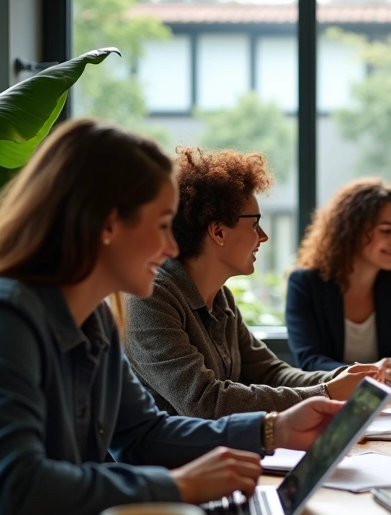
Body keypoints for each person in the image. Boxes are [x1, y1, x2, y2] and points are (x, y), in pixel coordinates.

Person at [0, 120, 344, 515]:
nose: (172, 247)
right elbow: (8, 494)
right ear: (108, 225)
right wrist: (177, 486)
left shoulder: (95, 321)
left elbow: (144, 434)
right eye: (161, 225)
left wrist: (274, 429)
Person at [123, 147, 373, 419]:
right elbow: (206, 402)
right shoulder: (150, 298)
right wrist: (326, 392)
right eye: (255, 224)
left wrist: (350, 377)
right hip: (167, 449)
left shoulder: (221, 299)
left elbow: (271, 373)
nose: (263, 236)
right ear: (218, 231)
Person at [286, 179, 391, 394]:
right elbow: (309, 360)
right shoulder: (305, 284)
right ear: (352, 230)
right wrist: (375, 372)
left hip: (384, 402)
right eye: (386, 230)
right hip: (327, 401)